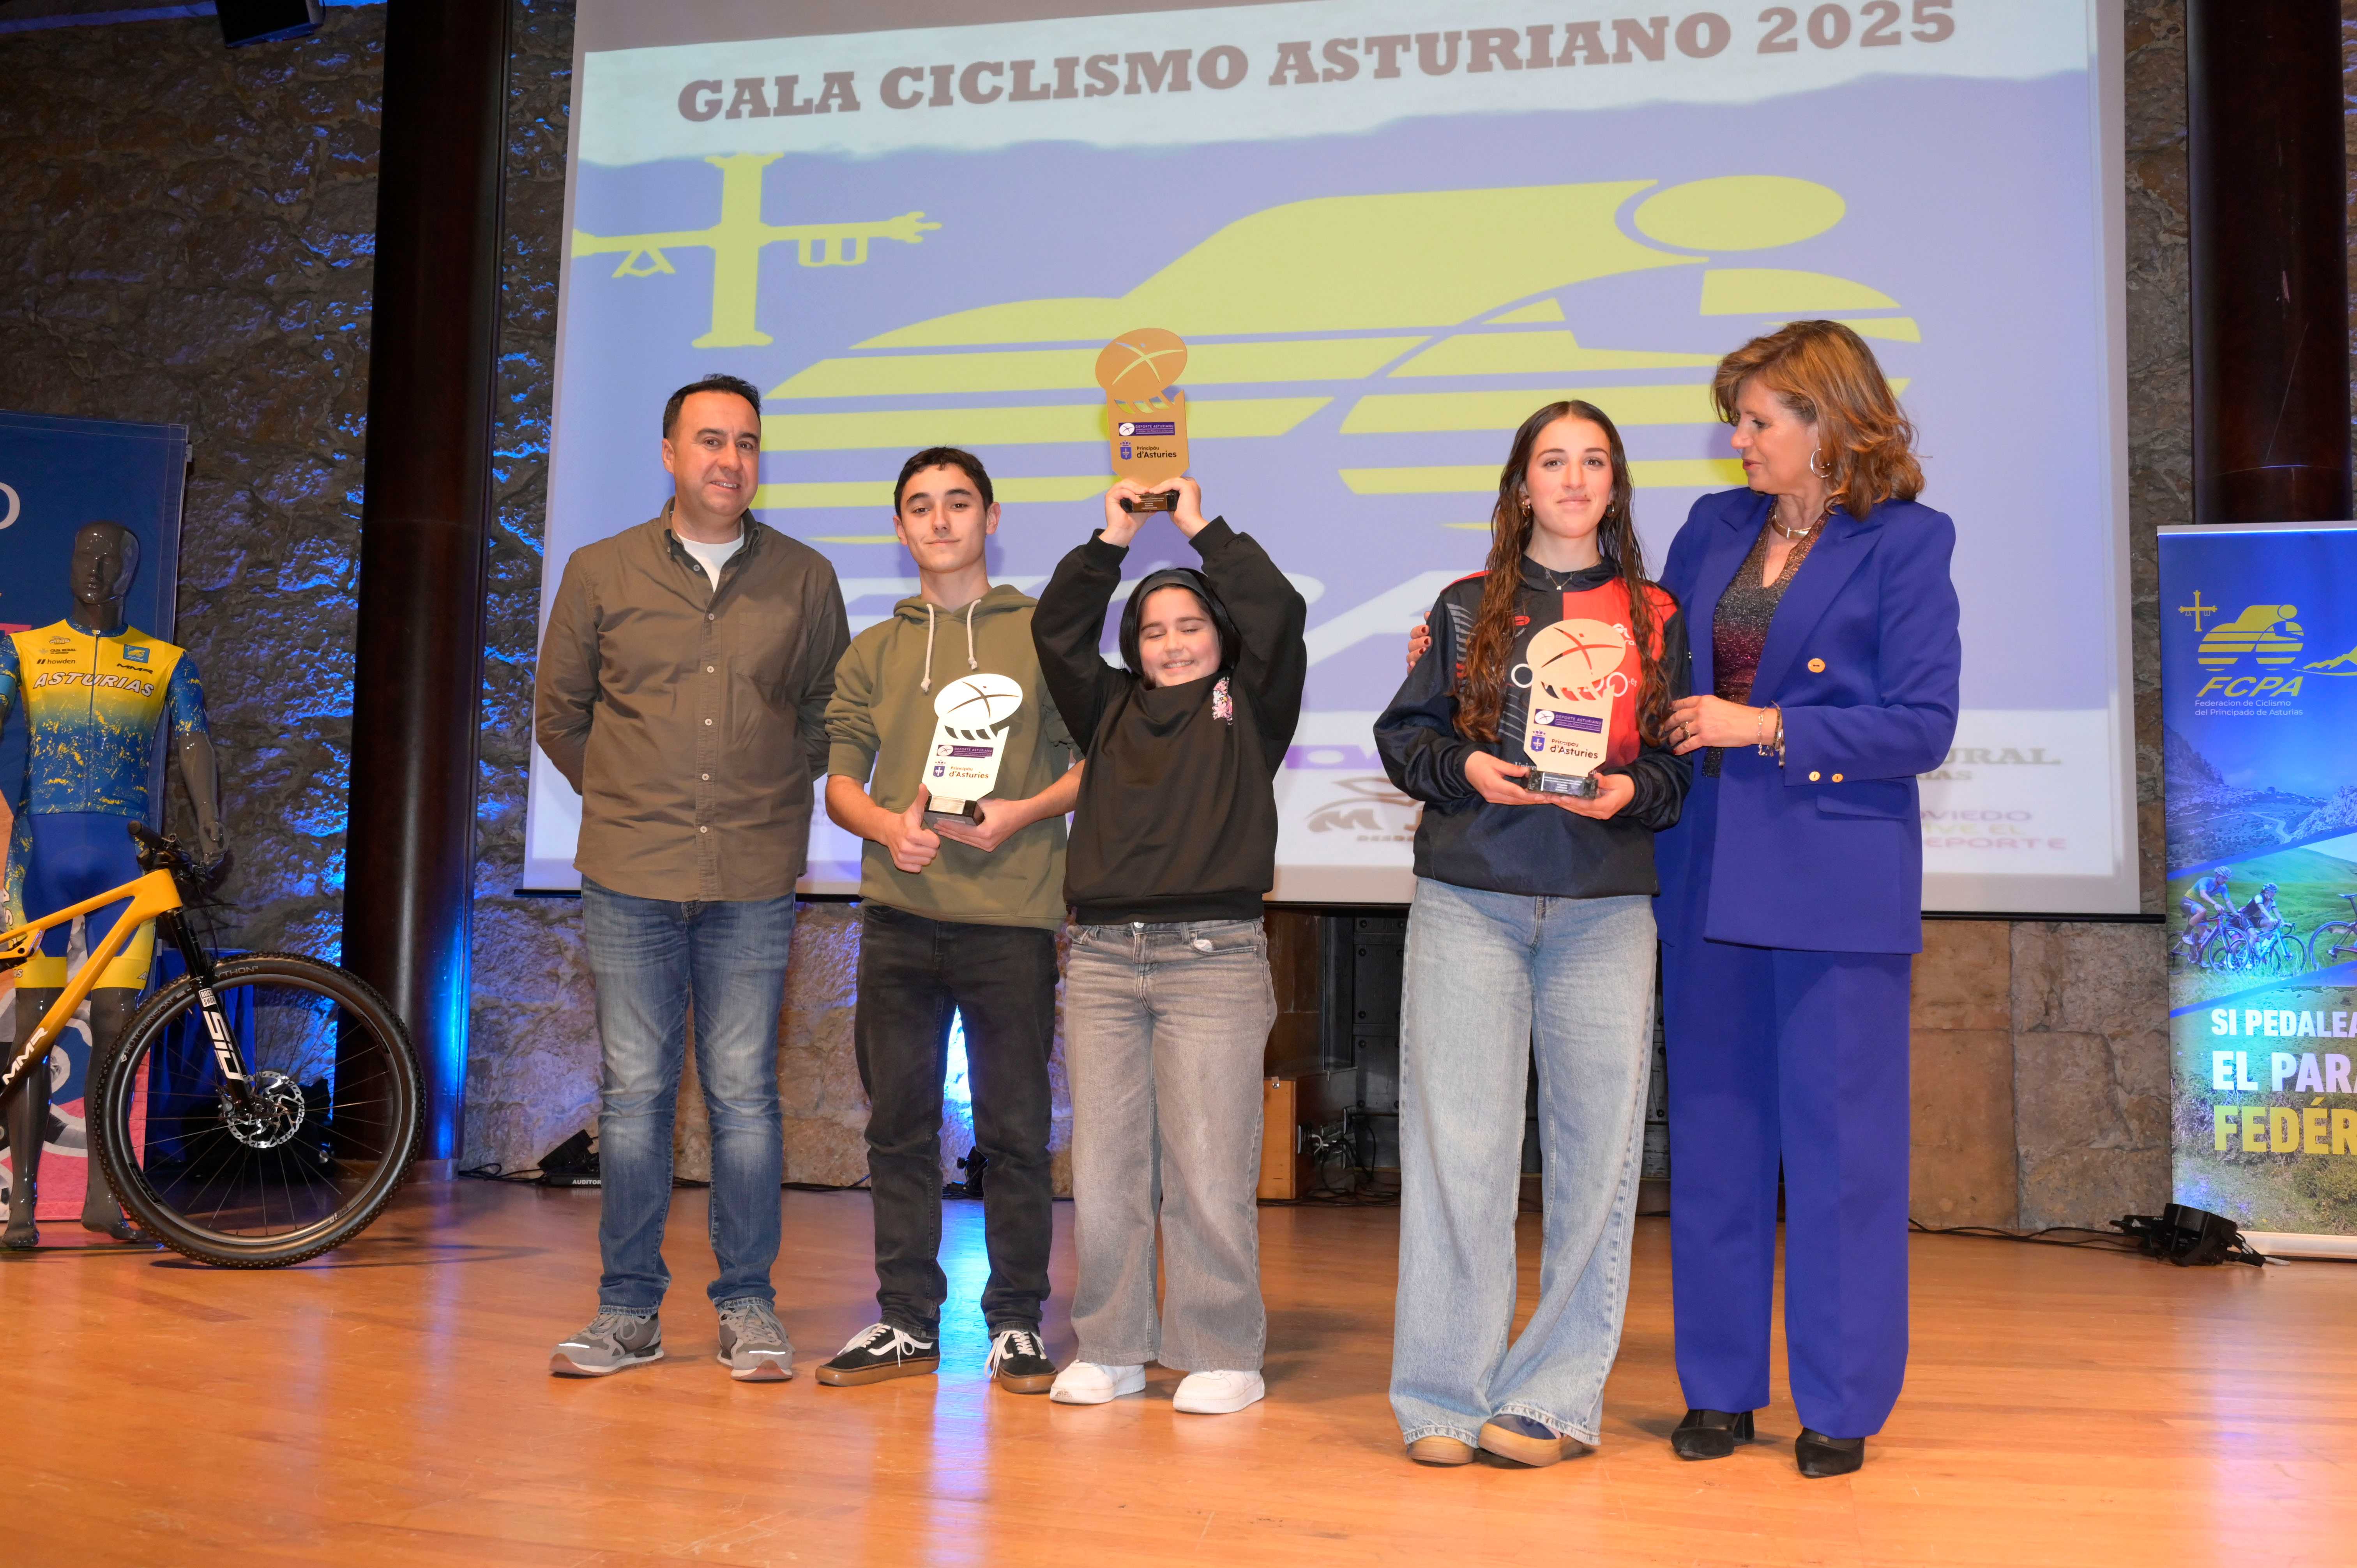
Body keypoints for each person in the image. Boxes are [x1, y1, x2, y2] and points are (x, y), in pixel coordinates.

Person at [1652, 320, 1961, 1477]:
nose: (1739, 439)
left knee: (1843, 1155)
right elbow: (1645, 669)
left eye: (1757, 420)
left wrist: (1771, 726)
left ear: (1826, 422)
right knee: (1715, 1139)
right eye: (1737, 420)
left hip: (1835, 880)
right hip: (1706, 868)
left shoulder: (1907, 542)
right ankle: (1719, 1387)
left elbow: (1923, 726)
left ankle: (1840, 1399)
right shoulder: (1711, 527)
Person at [1374, 401, 1690, 1468]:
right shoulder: (1466, 607)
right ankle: (1441, 1396)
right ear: (1521, 487)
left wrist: (1631, 790)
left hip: (1605, 908)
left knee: (1597, 1160)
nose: (1573, 478)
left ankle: (1553, 1398)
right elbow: (1405, 739)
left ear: (1616, 485)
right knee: (1458, 1151)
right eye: (1552, 461)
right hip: (1473, 898)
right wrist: (1466, 766)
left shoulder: (1656, 614)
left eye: (1593, 460)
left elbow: (1677, 767)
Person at [534, 373, 850, 1381]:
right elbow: (559, 713)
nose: (730, 459)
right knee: (634, 1094)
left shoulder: (806, 578)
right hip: (629, 869)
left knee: (746, 1095)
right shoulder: (599, 570)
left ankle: (748, 1307)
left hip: (753, 872)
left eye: (747, 442)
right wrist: (629, 795)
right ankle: (628, 1313)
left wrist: (765, 790)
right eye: (711, 440)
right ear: (670, 454)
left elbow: (829, 714)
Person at [1029, 474, 1306, 1415]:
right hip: (1104, 960)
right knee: (1106, 1171)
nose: (1173, 642)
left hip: (1213, 958)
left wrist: (1196, 524)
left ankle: (1221, 1350)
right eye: (1152, 630)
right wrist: (1112, 538)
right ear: (1133, 646)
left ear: (1222, 636)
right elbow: (1057, 629)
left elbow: (1280, 611)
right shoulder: (1107, 708)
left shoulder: (1250, 705)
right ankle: (1111, 1345)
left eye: (1191, 625)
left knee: (1208, 1168)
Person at [817, 447, 1081, 1395]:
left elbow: (1091, 761)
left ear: (991, 517)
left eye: (958, 502)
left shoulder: (1044, 635)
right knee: (898, 1128)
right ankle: (906, 1320)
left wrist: (1020, 813)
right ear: (900, 528)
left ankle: (1016, 1321)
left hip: (1010, 921)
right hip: (898, 921)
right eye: (921, 506)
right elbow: (839, 780)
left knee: (1015, 1131)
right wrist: (888, 826)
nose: (940, 520)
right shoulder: (874, 649)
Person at [0, 520, 228, 1247]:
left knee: (116, 1035)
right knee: (33, 1034)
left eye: (110, 559)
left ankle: (105, 1197)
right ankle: (23, 1207)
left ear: (131, 572)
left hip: (125, 862)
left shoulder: (166, 660)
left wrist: (211, 821)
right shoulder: (25, 650)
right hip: (40, 859)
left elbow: (193, 737)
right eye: (83, 554)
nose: (94, 568)